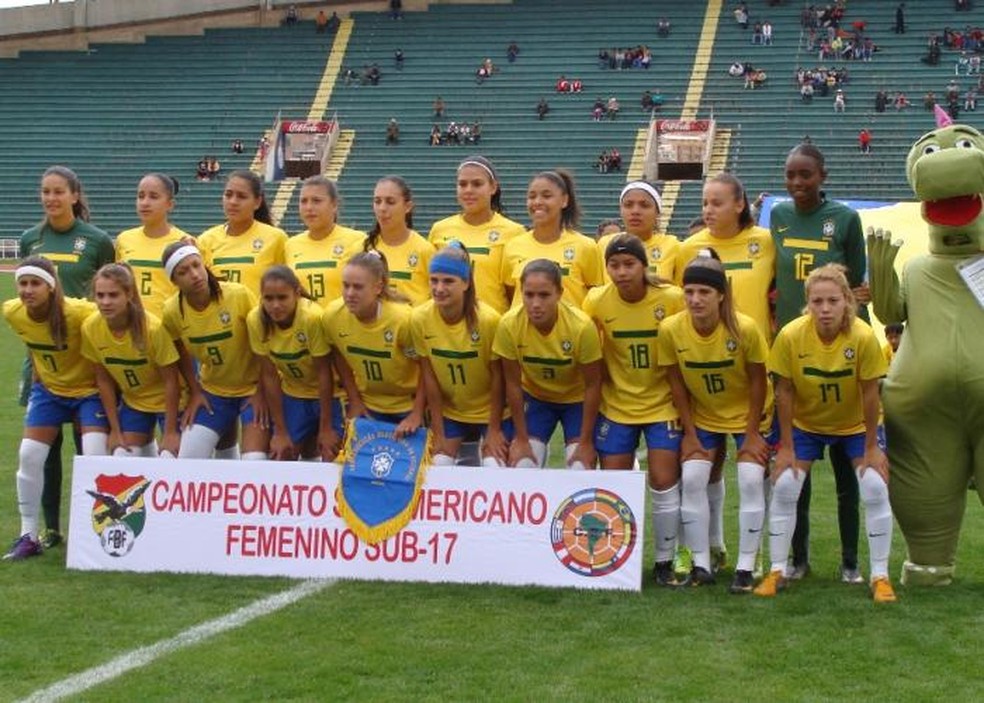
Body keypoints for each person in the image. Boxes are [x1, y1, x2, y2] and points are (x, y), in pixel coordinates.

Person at [756, 264, 896, 603]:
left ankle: (879, 576)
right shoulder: (790, 335)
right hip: (807, 425)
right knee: (786, 483)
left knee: (875, 486)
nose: (825, 308)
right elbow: (784, 393)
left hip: (854, 426)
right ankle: (778, 569)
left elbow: (869, 393)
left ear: (847, 300)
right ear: (808, 303)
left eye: (833, 300)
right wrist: (786, 446)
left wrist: (871, 447)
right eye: (817, 301)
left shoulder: (863, 336)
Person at [771, 143, 868, 584]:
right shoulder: (777, 216)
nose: (796, 183)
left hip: (838, 350)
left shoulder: (846, 220)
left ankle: (850, 561)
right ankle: (798, 558)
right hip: (793, 349)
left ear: (822, 175)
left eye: (805, 174)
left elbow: (858, 290)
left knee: (851, 480)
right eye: (790, 174)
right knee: (796, 475)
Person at [658, 251, 772, 591]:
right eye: (689, 292)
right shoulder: (671, 329)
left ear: (721, 295)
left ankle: (745, 567)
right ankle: (701, 564)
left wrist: (752, 433)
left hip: (749, 415)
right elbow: (676, 384)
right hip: (705, 415)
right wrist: (690, 434)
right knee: (692, 478)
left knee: (751, 479)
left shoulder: (745, 328)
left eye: (704, 292)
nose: (695, 299)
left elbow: (757, 382)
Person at [18, 165, 114, 550]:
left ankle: (89, 530)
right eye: (46, 192)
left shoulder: (97, 241)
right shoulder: (31, 239)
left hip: (88, 357)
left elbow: (108, 288)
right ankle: (52, 528)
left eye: (59, 192)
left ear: (75, 196)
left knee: (88, 443)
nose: (51, 198)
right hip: (43, 359)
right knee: (44, 447)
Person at [582, 235, 686, 585]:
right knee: (615, 485)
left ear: (644, 266)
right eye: (614, 265)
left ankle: (664, 561)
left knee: (662, 480)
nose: (622, 272)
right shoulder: (596, 300)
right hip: (617, 406)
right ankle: (615, 558)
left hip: (661, 404)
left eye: (629, 264)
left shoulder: (670, 299)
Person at [2, 257, 108, 560]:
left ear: (51, 287)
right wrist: (40, 381)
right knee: (29, 455)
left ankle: (96, 533)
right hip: (49, 391)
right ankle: (28, 535)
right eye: (23, 283)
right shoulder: (12, 312)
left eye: (35, 283)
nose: (27, 290)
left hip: (89, 393)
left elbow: (112, 321)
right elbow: (32, 344)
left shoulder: (79, 312)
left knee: (95, 452)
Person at [160, 242, 268, 462]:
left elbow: (265, 343)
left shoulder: (238, 295)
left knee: (254, 461)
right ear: (174, 281)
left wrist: (261, 392)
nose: (194, 275)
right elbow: (180, 351)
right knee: (187, 460)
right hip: (213, 392)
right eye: (183, 272)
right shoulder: (172, 311)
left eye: (196, 265)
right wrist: (195, 390)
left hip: (253, 389)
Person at [493, 259, 602, 470]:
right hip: (537, 399)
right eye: (529, 294)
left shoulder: (581, 327)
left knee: (580, 466)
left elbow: (593, 385)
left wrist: (586, 442)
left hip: (576, 400)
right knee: (522, 464)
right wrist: (522, 439)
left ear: (559, 293)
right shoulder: (508, 325)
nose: (535, 304)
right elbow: (513, 384)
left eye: (544, 295)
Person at [412, 244, 509, 466]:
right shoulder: (419, 319)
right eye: (434, 280)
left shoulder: (489, 321)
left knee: (494, 468)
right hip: (452, 413)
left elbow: (499, 379)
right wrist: (438, 432)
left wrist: (494, 430)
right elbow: (430, 378)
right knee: (438, 466)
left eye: (448, 281)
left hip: (493, 414)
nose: (439, 288)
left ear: (466, 283)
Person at [81, 263, 181, 458]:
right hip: (135, 403)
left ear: (129, 295)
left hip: (170, 404)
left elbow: (172, 381)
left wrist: (169, 433)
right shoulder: (90, 327)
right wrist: (115, 431)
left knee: (169, 458)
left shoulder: (152, 329)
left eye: (113, 295)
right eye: (100, 295)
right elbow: (103, 380)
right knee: (121, 454)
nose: (105, 302)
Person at [324, 252, 422, 435]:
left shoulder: (403, 320)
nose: (350, 294)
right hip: (368, 404)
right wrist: (354, 399)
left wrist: (416, 413)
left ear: (378, 287)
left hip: (408, 404)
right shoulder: (332, 316)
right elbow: (338, 355)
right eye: (346, 286)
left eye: (358, 287)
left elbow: (427, 368)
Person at [247, 266, 337, 461]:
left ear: (297, 294)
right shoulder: (255, 321)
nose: (275, 305)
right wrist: (280, 431)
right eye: (269, 299)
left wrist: (325, 427)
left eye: (282, 298)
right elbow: (269, 375)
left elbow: (324, 372)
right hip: (294, 393)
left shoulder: (312, 318)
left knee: (331, 453)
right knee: (281, 454)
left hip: (332, 396)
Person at [429, 156, 526, 314]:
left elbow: (514, 292)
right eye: (462, 184)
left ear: (493, 187)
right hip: (448, 327)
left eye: (477, 184)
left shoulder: (514, 232)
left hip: (493, 326)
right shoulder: (440, 229)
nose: (468, 190)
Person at [501, 170, 603, 308]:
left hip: (570, 329)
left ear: (564, 200)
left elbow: (595, 298)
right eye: (532, 196)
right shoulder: (513, 246)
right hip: (524, 329)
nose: (537, 202)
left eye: (546, 196)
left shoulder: (586, 246)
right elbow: (511, 294)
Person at [198, 170, 287, 296]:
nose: (233, 202)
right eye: (228, 195)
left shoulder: (276, 238)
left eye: (241, 196)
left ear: (257, 202)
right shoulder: (206, 240)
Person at [115, 173, 188, 318]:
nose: (145, 203)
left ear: (170, 204)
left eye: (153, 197)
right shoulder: (124, 239)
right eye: (141, 196)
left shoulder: (183, 242)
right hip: (131, 327)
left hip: (167, 328)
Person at [287, 175, 366, 308]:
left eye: (316, 201)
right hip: (306, 326)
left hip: (343, 325)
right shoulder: (290, 244)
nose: (309, 207)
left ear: (334, 205)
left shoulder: (357, 240)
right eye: (303, 201)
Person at [364, 176, 434, 305]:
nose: (382, 208)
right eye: (377, 201)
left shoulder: (425, 250)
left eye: (390, 202)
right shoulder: (362, 249)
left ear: (407, 207)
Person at [598, 181, 680, 281]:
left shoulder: (672, 246)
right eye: (628, 205)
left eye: (644, 205)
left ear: (657, 212)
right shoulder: (605, 244)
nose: (635, 211)